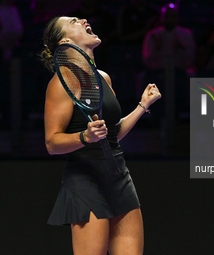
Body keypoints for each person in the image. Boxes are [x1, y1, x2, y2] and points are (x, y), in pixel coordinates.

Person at [40, 16, 161, 255]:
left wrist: (142, 106)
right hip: (86, 182)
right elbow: (52, 143)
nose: (83, 19)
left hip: (119, 178)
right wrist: (84, 137)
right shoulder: (61, 82)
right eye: (74, 21)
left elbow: (112, 134)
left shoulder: (103, 78)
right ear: (65, 40)